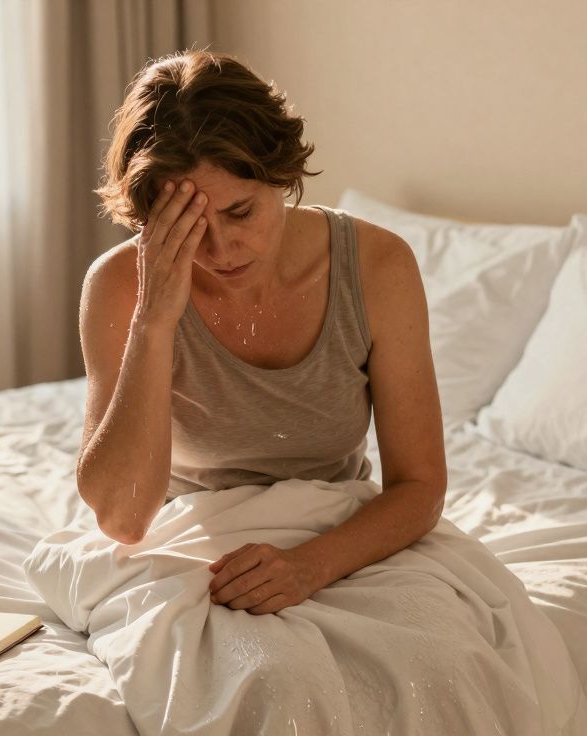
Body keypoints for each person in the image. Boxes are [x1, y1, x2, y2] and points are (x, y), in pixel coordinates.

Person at [78, 49, 445, 616]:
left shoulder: (378, 267)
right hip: (191, 541)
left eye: (241, 212)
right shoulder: (120, 285)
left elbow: (420, 486)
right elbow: (123, 519)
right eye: (188, 226)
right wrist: (154, 321)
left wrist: (308, 567)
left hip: (345, 537)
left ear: (283, 175)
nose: (220, 251)